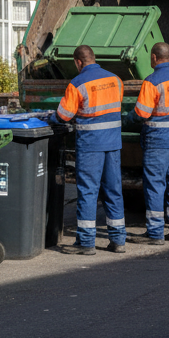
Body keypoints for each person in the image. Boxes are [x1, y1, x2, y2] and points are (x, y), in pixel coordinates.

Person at [56, 45, 126, 255]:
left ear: (78, 62)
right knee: (114, 191)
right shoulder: (116, 80)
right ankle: (118, 240)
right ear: (93, 58)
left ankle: (86, 243)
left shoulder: (77, 83)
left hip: (90, 146)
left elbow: (64, 115)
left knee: (88, 192)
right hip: (113, 144)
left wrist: (50, 117)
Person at [128, 42, 169, 245]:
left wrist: (125, 118)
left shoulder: (152, 81)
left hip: (158, 141)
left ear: (154, 57)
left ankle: (155, 233)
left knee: (155, 185)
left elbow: (141, 113)